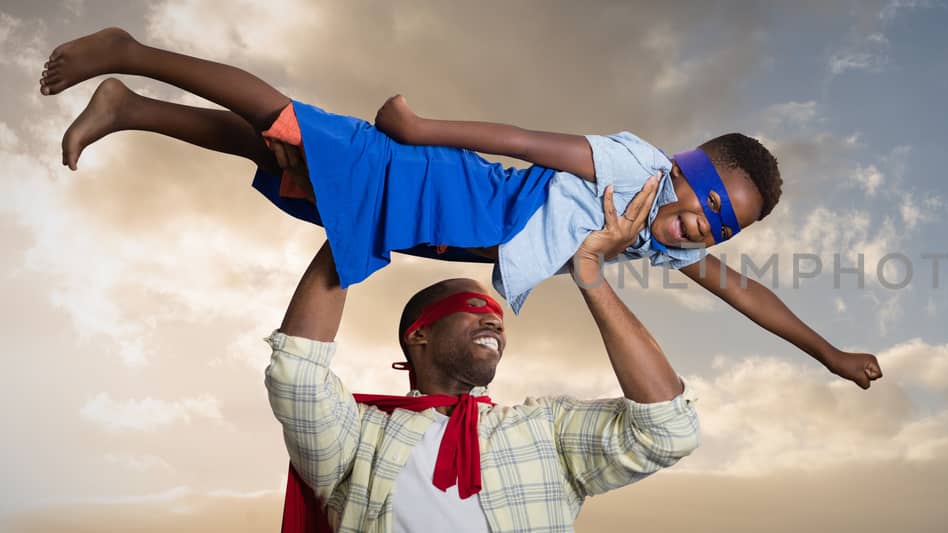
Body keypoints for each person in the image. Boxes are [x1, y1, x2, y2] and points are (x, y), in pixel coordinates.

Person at [41, 27, 884, 389]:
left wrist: (826, 351)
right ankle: (132, 53)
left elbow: (745, 293)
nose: (704, 228)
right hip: (437, 182)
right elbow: (528, 141)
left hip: (428, 227)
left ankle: (131, 107)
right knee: (288, 122)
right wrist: (419, 127)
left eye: (721, 227)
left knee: (286, 159)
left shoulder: (657, 244)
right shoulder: (634, 168)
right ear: (685, 173)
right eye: (708, 204)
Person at [268, 171, 697, 531]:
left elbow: (666, 430)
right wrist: (354, 221)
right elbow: (297, 375)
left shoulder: (545, 429)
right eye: (474, 308)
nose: (494, 320)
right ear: (419, 334)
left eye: (498, 315)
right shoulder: (359, 439)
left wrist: (590, 275)